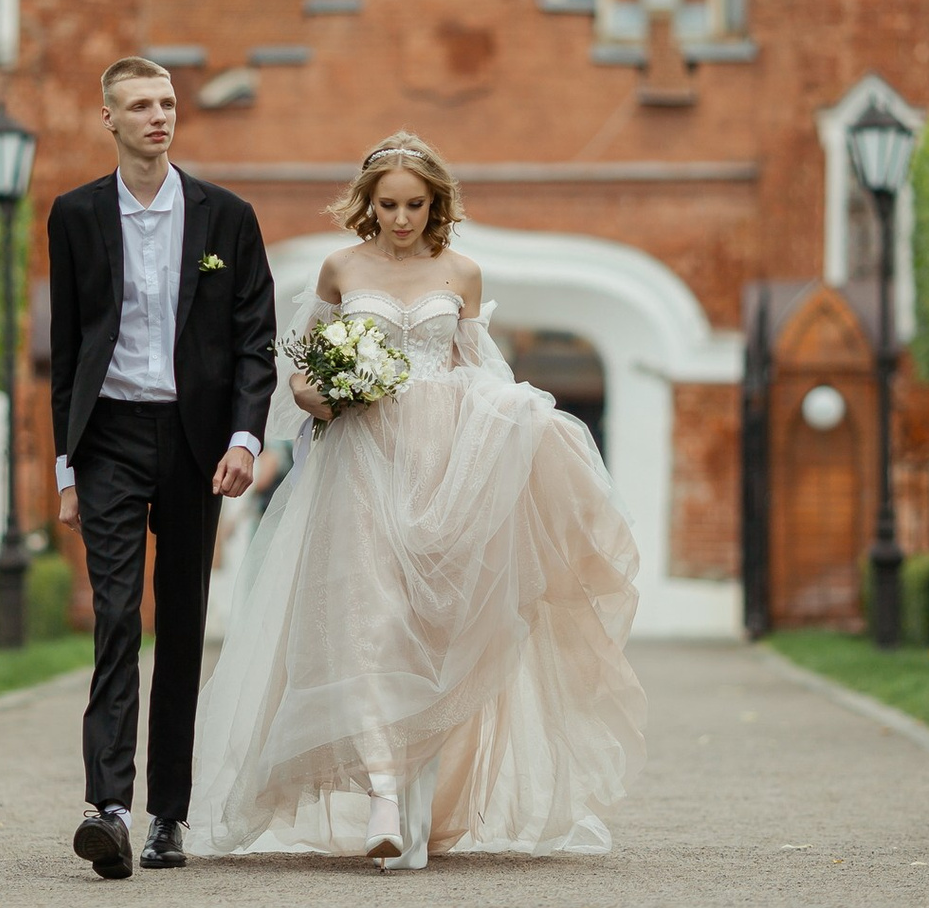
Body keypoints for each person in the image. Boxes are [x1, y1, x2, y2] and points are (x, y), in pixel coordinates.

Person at [188, 132, 645, 870]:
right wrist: (333, 393)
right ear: (367, 203)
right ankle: (380, 797)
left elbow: (477, 368)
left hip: (443, 468)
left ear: (436, 205)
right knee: (369, 623)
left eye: (415, 204)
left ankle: (419, 800)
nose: (401, 217)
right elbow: (297, 380)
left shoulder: (460, 272)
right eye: (388, 203)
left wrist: (518, 416)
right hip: (360, 465)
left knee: (432, 630)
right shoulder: (341, 269)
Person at [49, 57, 278, 879]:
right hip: (108, 436)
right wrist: (67, 470)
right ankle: (107, 807)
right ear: (107, 117)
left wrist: (245, 439)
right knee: (117, 616)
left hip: (194, 446)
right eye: (140, 104)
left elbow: (256, 342)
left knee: (181, 624)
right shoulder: (74, 215)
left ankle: (167, 815)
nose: (158, 116)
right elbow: (67, 352)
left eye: (168, 103)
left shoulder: (227, 217)